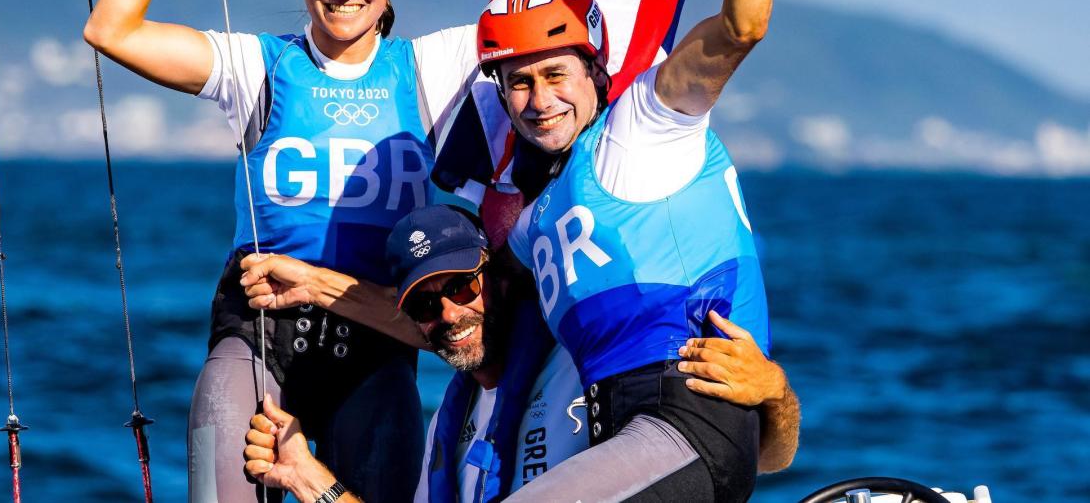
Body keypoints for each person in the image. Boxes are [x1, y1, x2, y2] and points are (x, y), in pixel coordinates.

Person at [82, 0, 482, 501]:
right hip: (259, 340)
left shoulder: (431, 68)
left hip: (376, 347)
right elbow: (110, 28)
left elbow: (559, 27)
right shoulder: (259, 67)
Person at [462, 0, 778, 499]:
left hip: (685, 425)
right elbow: (482, 333)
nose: (539, 98)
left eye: (556, 75)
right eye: (519, 83)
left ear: (596, 74)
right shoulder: (530, 221)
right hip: (625, 440)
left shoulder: (645, 123)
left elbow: (742, 25)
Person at [240, 205, 799, 503]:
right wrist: (306, 476)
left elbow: (766, 457)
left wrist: (773, 391)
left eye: (462, 287)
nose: (450, 316)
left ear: (499, 278)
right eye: (426, 306)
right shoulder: (445, 435)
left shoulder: (584, 359)